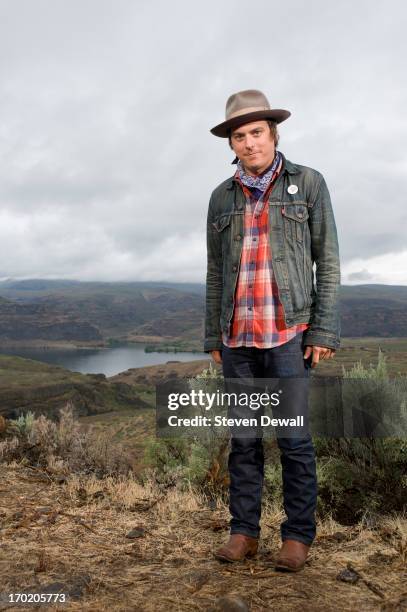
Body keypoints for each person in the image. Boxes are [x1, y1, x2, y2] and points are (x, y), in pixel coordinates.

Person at [204, 89, 340, 572]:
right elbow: (216, 272)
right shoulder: (222, 197)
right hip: (237, 339)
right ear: (232, 143)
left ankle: (297, 537)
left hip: (287, 336)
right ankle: (244, 532)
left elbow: (329, 261)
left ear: (273, 134)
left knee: (294, 442)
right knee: (244, 441)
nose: (249, 142)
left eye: (256, 132)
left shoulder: (309, 183)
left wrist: (321, 330)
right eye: (239, 135)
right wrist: (212, 337)